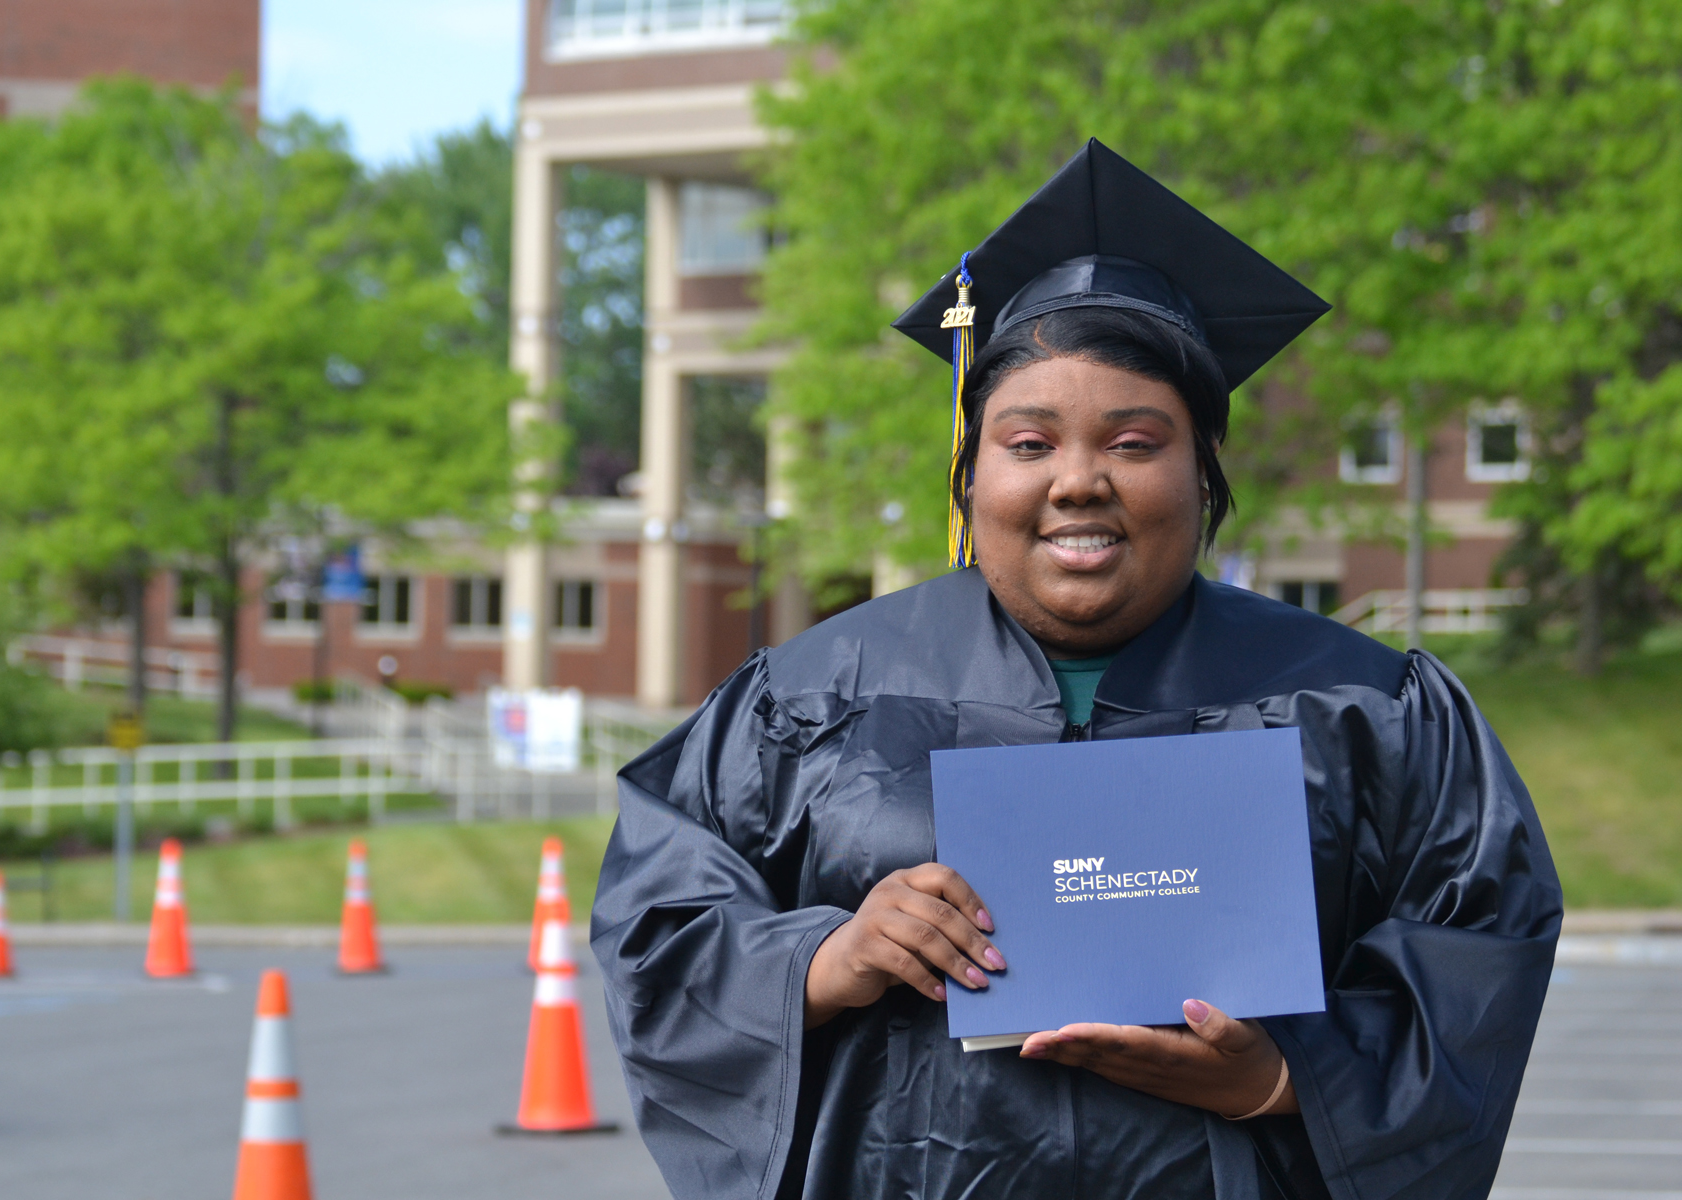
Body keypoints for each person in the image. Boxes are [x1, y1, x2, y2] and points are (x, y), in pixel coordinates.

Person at [591, 139, 1561, 1200]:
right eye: (1028, 443)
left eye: (1137, 442)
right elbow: (661, 921)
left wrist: (1287, 1079)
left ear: (1205, 476)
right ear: (969, 478)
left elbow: (1478, 945)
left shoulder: (1362, 706)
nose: (1079, 481)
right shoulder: (814, 693)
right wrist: (824, 962)